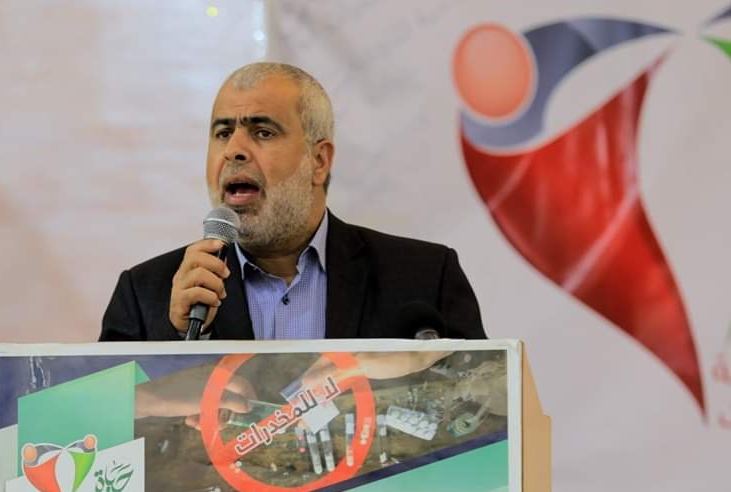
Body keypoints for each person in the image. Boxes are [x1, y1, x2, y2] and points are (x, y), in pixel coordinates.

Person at [99, 62, 486, 343]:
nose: (234, 150)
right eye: (223, 133)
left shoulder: (423, 279)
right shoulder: (145, 295)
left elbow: (481, 411)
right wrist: (182, 340)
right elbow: (113, 424)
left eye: (262, 132)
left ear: (319, 161)